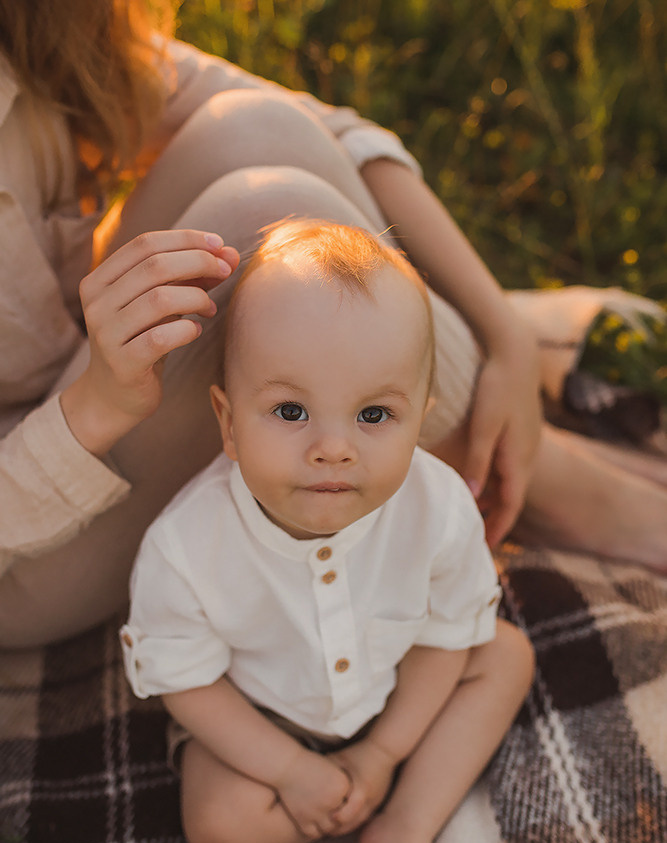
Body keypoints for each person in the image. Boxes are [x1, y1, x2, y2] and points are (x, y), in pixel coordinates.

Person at [1, 0, 665, 649]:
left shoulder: (37, 22)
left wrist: (505, 335)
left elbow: (323, 129)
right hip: (26, 540)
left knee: (255, 126)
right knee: (270, 225)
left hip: (80, 375)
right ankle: (551, 484)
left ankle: (526, 457)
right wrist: (95, 405)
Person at [120, 219, 535, 843]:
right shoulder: (186, 546)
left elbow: (443, 641)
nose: (333, 449)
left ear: (418, 421)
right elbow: (188, 682)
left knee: (503, 656)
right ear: (227, 421)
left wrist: (381, 752)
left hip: (398, 689)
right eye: (289, 411)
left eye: (374, 414)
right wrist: (288, 770)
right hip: (262, 716)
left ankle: (406, 822)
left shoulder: (436, 510)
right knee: (218, 827)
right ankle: (332, 792)